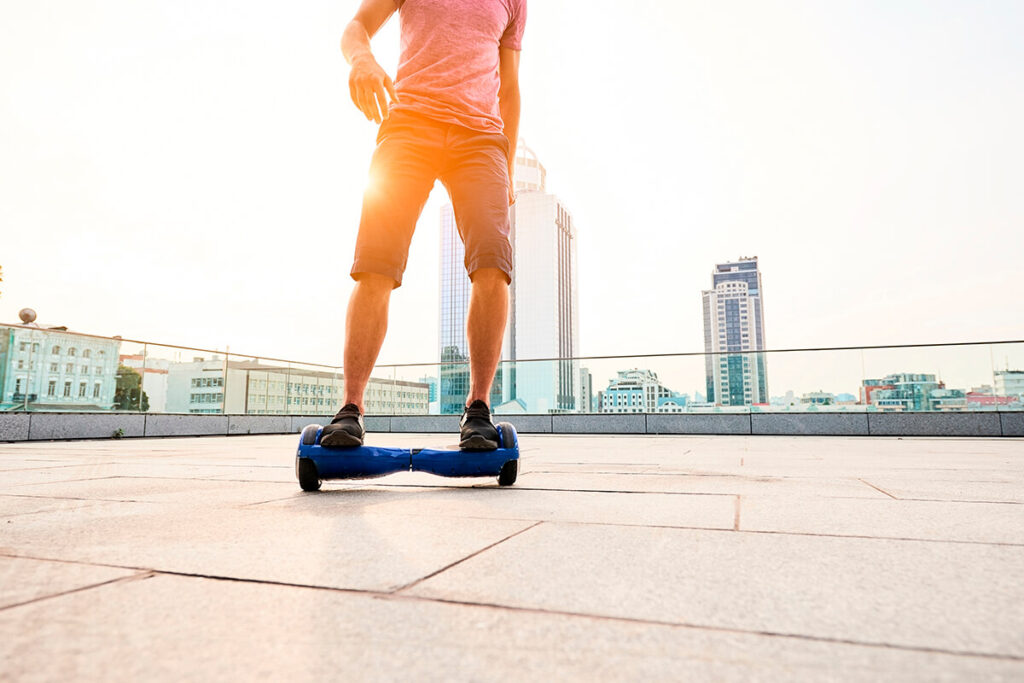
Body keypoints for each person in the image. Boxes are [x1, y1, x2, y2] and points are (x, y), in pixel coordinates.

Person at [320, 0, 526, 451]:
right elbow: (357, 26)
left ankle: (478, 410)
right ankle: (350, 409)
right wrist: (362, 60)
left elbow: (508, 88)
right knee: (376, 263)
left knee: (493, 263)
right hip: (409, 125)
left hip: (481, 138)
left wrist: (507, 169)